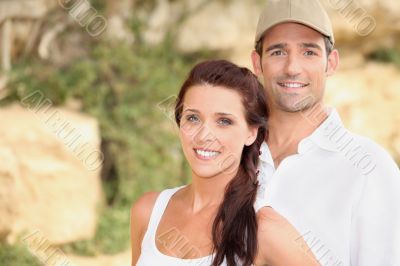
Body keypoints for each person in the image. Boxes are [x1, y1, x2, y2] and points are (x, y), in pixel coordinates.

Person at [251, 0, 400, 265]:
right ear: (257, 63)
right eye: (277, 52)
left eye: (308, 52)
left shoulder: (370, 168)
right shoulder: (233, 154)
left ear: (331, 63)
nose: (292, 67)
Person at [130, 60, 319, 266]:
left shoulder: (263, 228)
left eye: (224, 121)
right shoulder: (148, 211)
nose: (203, 136)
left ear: (251, 133)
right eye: (193, 118)